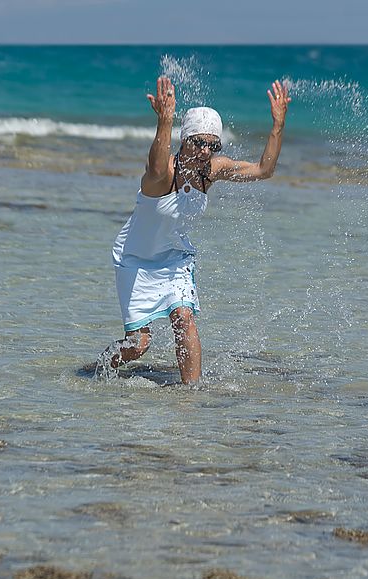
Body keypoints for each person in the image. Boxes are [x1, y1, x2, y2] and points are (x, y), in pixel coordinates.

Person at [94, 75, 291, 384]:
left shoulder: (211, 171)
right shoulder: (163, 176)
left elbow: (263, 170)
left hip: (175, 257)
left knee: (184, 320)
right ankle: (102, 366)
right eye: (198, 142)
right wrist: (164, 120)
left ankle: (190, 399)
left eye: (213, 145)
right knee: (138, 346)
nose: (205, 151)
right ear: (183, 140)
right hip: (135, 260)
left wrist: (277, 125)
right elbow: (155, 166)